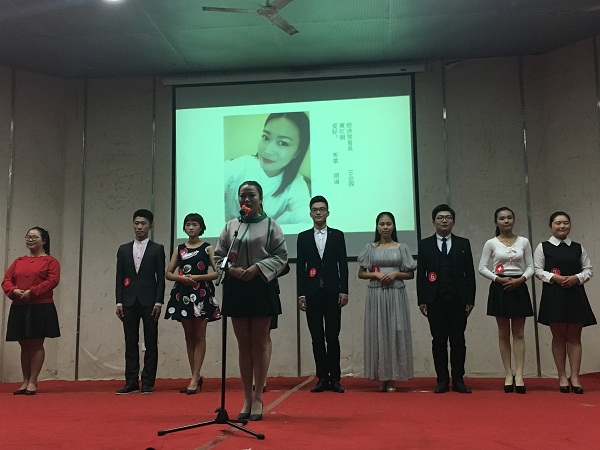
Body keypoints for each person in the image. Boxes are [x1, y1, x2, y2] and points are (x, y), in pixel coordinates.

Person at [215, 181, 288, 421]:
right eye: (242, 196)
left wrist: (258, 268)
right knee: (243, 345)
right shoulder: (231, 226)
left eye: (251, 195)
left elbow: (282, 257)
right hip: (236, 287)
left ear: (261, 198)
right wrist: (232, 270)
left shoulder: (271, 225)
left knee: (260, 343)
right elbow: (218, 256)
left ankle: (258, 397)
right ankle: (246, 397)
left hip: (261, 286)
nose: (246, 200)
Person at [534, 211, 596, 394]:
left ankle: (575, 376)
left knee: (575, 337)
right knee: (559, 336)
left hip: (575, 294)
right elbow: (537, 270)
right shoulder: (543, 247)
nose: (562, 226)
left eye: (566, 223)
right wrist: (555, 277)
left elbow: (588, 270)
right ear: (551, 226)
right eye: (558, 223)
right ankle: (562, 376)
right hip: (554, 294)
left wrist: (577, 278)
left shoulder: (577, 247)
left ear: (570, 225)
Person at [417, 204, 476, 394]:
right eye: (440, 217)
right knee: (438, 341)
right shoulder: (425, 244)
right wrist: (422, 299)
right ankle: (442, 380)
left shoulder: (463, 243)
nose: (444, 220)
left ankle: (458, 379)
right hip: (435, 300)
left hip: (458, 300)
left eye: (448, 217)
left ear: (453, 221)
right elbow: (421, 274)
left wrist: (470, 299)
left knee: (458, 340)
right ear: (433, 221)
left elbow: (470, 273)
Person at [358, 212, 416, 392]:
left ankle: (393, 378)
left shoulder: (401, 248)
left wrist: (396, 274)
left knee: (396, 332)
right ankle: (382, 377)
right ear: (377, 226)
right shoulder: (370, 248)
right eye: (382, 224)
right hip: (376, 293)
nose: (385, 227)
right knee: (378, 332)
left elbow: (410, 274)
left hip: (396, 293)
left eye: (388, 224)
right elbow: (361, 273)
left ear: (394, 226)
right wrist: (376, 274)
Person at [478, 207, 534, 394]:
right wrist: (498, 279)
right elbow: (482, 267)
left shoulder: (524, 241)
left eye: (509, 217)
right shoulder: (491, 243)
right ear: (496, 222)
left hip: (519, 286)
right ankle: (508, 373)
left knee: (519, 333)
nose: (506, 221)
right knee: (503, 333)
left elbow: (531, 266)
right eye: (502, 218)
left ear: (514, 220)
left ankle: (520, 374)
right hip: (499, 288)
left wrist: (521, 279)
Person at [297, 195, 349, 393]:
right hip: (312, 293)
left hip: (332, 292)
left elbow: (343, 265)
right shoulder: (303, 237)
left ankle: (335, 378)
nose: (318, 212)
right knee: (316, 337)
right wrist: (301, 294)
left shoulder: (338, 235)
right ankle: (322, 377)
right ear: (310, 213)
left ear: (328, 212)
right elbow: (300, 267)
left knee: (333, 337)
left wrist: (344, 290)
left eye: (322, 209)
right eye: (315, 209)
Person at [164, 213, 221, 394]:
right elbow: (168, 273)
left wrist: (197, 277)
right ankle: (195, 376)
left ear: (201, 227)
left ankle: (195, 378)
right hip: (184, 294)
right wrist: (182, 278)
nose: (190, 227)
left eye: (194, 224)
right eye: (188, 224)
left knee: (199, 336)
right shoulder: (179, 249)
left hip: (201, 293)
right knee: (189, 336)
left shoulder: (208, 248)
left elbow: (217, 273)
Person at [224, 112, 311, 225]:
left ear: (297, 152)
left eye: (283, 143)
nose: (268, 151)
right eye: (266, 137)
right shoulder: (242, 165)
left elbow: (304, 217)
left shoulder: (296, 184)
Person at [2, 227, 60, 395]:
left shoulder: (50, 261)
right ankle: (25, 381)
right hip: (20, 305)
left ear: (44, 241)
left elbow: (52, 281)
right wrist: (13, 290)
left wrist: (32, 292)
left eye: (34, 237)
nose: (30, 240)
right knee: (24, 344)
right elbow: (6, 280)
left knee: (36, 343)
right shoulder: (19, 261)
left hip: (40, 306)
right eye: (28, 237)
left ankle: (33, 381)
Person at [115, 209, 166, 395]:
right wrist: (118, 302)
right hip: (128, 301)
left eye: (143, 223)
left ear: (150, 226)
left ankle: (147, 381)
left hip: (150, 301)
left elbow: (160, 278)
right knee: (130, 341)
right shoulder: (123, 249)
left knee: (151, 342)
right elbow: (119, 277)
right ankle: (131, 381)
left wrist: (159, 302)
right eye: (136, 223)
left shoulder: (157, 249)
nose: (139, 227)